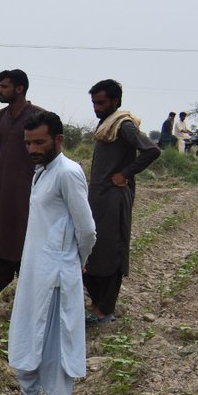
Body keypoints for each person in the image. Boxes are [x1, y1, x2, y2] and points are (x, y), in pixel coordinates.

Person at [0, 111, 96, 395]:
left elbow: (88, 229)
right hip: (36, 270)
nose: (33, 149)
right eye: (28, 143)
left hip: (57, 275)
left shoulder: (67, 172)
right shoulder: (43, 171)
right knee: (28, 332)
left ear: (58, 140)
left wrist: (73, 261)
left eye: (40, 142)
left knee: (56, 342)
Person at [83, 79, 160, 324]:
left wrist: (125, 174)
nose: (96, 107)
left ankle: (105, 310)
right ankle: (96, 305)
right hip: (98, 198)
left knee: (110, 250)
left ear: (115, 101)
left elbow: (151, 150)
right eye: (94, 102)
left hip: (114, 198)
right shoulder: (107, 124)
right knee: (91, 250)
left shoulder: (123, 124)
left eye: (101, 102)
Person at [0, 70, 43, 312]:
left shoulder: (39, 117)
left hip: (29, 190)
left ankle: (30, 297)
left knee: (26, 240)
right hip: (1, 188)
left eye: (4, 86)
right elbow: (0, 152)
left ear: (20, 89)